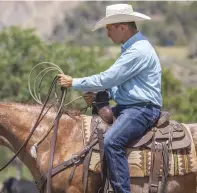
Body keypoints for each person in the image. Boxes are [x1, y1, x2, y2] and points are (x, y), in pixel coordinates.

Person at [57, 4, 162, 193]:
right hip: (130, 107)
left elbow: (108, 78)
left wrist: (74, 82)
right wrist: (101, 96)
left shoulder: (138, 51)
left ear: (121, 27)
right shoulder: (132, 48)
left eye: (109, 29)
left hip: (142, 110)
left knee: (112, 141)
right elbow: (120, 85)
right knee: (89, 132)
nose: (107, 35)